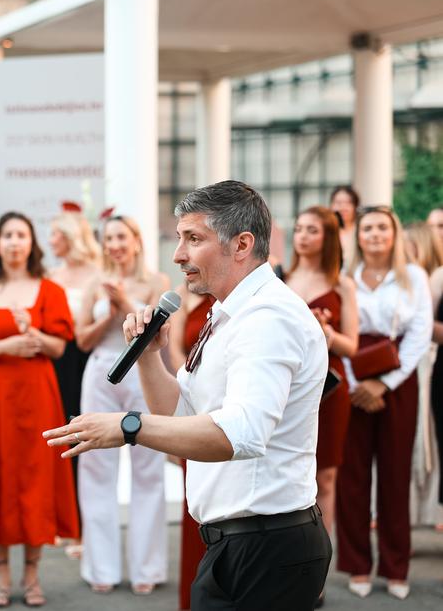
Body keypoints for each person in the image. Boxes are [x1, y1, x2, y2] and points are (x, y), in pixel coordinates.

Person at [45, 181, 332, 611]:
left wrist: (129, 427)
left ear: (242, 245)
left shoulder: (267, 318)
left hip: (267, 546)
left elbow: (241, 434)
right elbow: (181, 413)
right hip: (237, 543)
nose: (178, 255)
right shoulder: (229, 311)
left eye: (193, 239)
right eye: (180, 238)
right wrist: (148, 356)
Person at [0, 211, 78, 608]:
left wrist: (34, 333)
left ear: (31, 243)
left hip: (37, 395)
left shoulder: (50, 290)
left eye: (21, 235)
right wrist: (7, 345)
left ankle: (33, 572)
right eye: (7, 235)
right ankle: (2, 571)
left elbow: (58, 347)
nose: (14, 242)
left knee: (36, 476)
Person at [334, 206, 432, 601]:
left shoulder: (414, 276)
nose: (375, 234)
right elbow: (340, 334)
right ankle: (358, 564)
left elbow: (419, 335)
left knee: (394, 476)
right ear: (358, 236)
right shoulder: (345, 279)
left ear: (394, 235)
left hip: (398, 380)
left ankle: (396, 566)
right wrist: (357, 382)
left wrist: (383, 384)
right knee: (352, 477)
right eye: (368, 228)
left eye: (382, 228)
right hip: (353, 377)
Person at [74, 215, 168, 596]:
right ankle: (101, 567)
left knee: (149, 468)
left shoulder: (157, 282)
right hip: (100, 372)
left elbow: (157, 332)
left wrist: (125, 303)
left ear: (136, 240)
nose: (114, 245)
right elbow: (82, 340)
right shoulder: (94, 282)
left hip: (142, 372)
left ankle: (148, 566)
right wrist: (109, 314)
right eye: (108, 238)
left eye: (120, 237)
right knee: (96, 467)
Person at [285, 207, 359, 545]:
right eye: (299, 228)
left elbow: (352, 345)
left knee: (325, 475)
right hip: (287, 383)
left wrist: (325, 332)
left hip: (329, 385)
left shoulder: (342, 285)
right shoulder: (280, 279)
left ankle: (319, 562)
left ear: (328, 237)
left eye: (312, 230)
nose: (302, 236)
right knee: (288, 473)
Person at [47, 208, 101, 559]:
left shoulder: (97, 273)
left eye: (55, 233)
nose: (50, 240)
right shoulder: (51, 276)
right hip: (57, 361)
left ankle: (83, 528)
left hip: (87, 360)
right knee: (60, 437)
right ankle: (62, 522)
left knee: (85, 439)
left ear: (70, 237)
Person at [165, 282, 213, 611]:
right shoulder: (183, 296)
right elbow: (175, 354)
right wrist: (197, 391)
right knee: (194, 503)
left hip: (229, 405)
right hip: (195, 403)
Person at [404, 223, 443, 529]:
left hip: (428, 365)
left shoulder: (434, 278)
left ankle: (432, 511)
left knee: (429, 438)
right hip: (413, 363)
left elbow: (428, 325)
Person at [329, 186, 360, 269]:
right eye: (338, 203)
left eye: (348, 203)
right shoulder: (326, 231)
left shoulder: (361, 230)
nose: (343, 207)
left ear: (355, 206)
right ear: (331, 205)